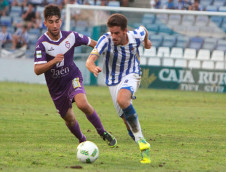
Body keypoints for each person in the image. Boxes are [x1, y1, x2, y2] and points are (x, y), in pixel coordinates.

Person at [33, 4, 117, 147]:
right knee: (70, 119)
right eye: (51, 21)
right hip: (56, 89)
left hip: (72, 77)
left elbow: (94, 44)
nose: (55, 25)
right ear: (45, 23)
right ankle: (82, 140)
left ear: (61, 20)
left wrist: (108, 53)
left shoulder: (72, 36)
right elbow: (37, 69)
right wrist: (53, 61)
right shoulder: (42, 43)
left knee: (82, 104)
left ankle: (102, 132)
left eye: (57, 21)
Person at [86, 13, 152, 164]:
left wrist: (147, 43)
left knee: (122, 99)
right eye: (111, 32)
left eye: (117, 33)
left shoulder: (135, 36)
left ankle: (142, 141)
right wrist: (92, 67)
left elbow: (144, 30)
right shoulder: (105, 40)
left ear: (124, 31)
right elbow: (90, 59)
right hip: (113, 81)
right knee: (126, 121)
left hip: (132, 73)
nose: (113, 36)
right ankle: (143, 148)